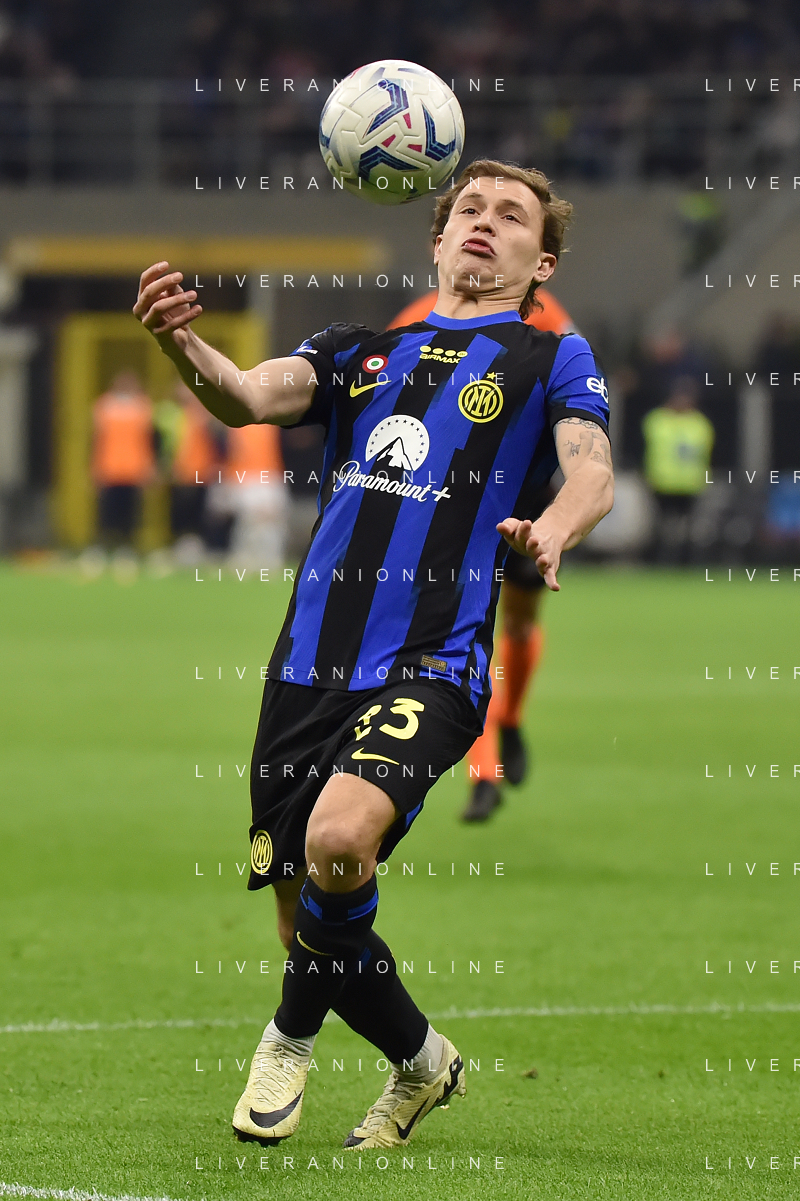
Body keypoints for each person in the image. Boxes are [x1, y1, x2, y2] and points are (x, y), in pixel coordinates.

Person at [133, 158, 614, 1151]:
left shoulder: (548, 356)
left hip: (433, 659)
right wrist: (181, 345)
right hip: (307, 664)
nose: (485, 222)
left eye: (511, 216)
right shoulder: (354, 351)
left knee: (340, 839)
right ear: (435, 239)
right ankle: (422, 1063)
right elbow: (245, 395)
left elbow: (592, 469)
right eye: (468, 208)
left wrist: (556, 527)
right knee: (305, 917)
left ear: (542, 261)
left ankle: (287, 1040)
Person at [388, 290, 576, 822]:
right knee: (464, 634)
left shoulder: (547, 313)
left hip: (527, 497)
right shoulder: (420, 317)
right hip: (451, 501)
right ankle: (484, 774)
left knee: (519, 623)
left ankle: (511, 718)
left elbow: (575, 387)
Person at [642, 374, 714, 562]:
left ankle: (686, 560)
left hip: (690, 484)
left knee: (688, 528)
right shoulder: (657, 419)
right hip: (662, 482)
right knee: (662, 526)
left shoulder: (699, 423)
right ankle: (661, 559)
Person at [91, 369, 155, 550]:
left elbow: (148, 439)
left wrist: (149, 466)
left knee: (131, 512)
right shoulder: (105, 405)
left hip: (134, 468)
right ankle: (105, 544)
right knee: (107, 511)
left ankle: (127, 546)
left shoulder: (142, 405)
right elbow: (98, 438)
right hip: (110, 467)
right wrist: (95, 466)